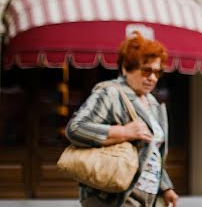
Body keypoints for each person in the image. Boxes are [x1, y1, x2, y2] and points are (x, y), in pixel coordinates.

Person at [66, 33, 178, 206]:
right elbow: (76, 128)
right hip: (116, 195)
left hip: (149, 196)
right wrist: (124, 132)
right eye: (146, 70)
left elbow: (152, 153)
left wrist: (166, 188)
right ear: (126, 68)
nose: (153, 78)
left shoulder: (153, 103)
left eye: (158, 72)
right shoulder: (110, 93)